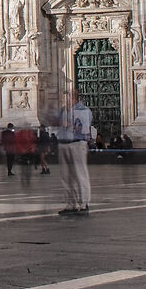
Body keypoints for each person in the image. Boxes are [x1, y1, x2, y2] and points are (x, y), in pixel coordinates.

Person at [54, 88, 94, 216]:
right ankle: (70, 204)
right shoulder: (62, 111)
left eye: (65, 97)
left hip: (77, 143)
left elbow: (85, 129)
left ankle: (83, 203)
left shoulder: (83, 110)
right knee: (66, 176)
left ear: (73, 98)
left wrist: (70, 125)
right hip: (63, 143)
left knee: (80, 174)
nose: (63, 100)